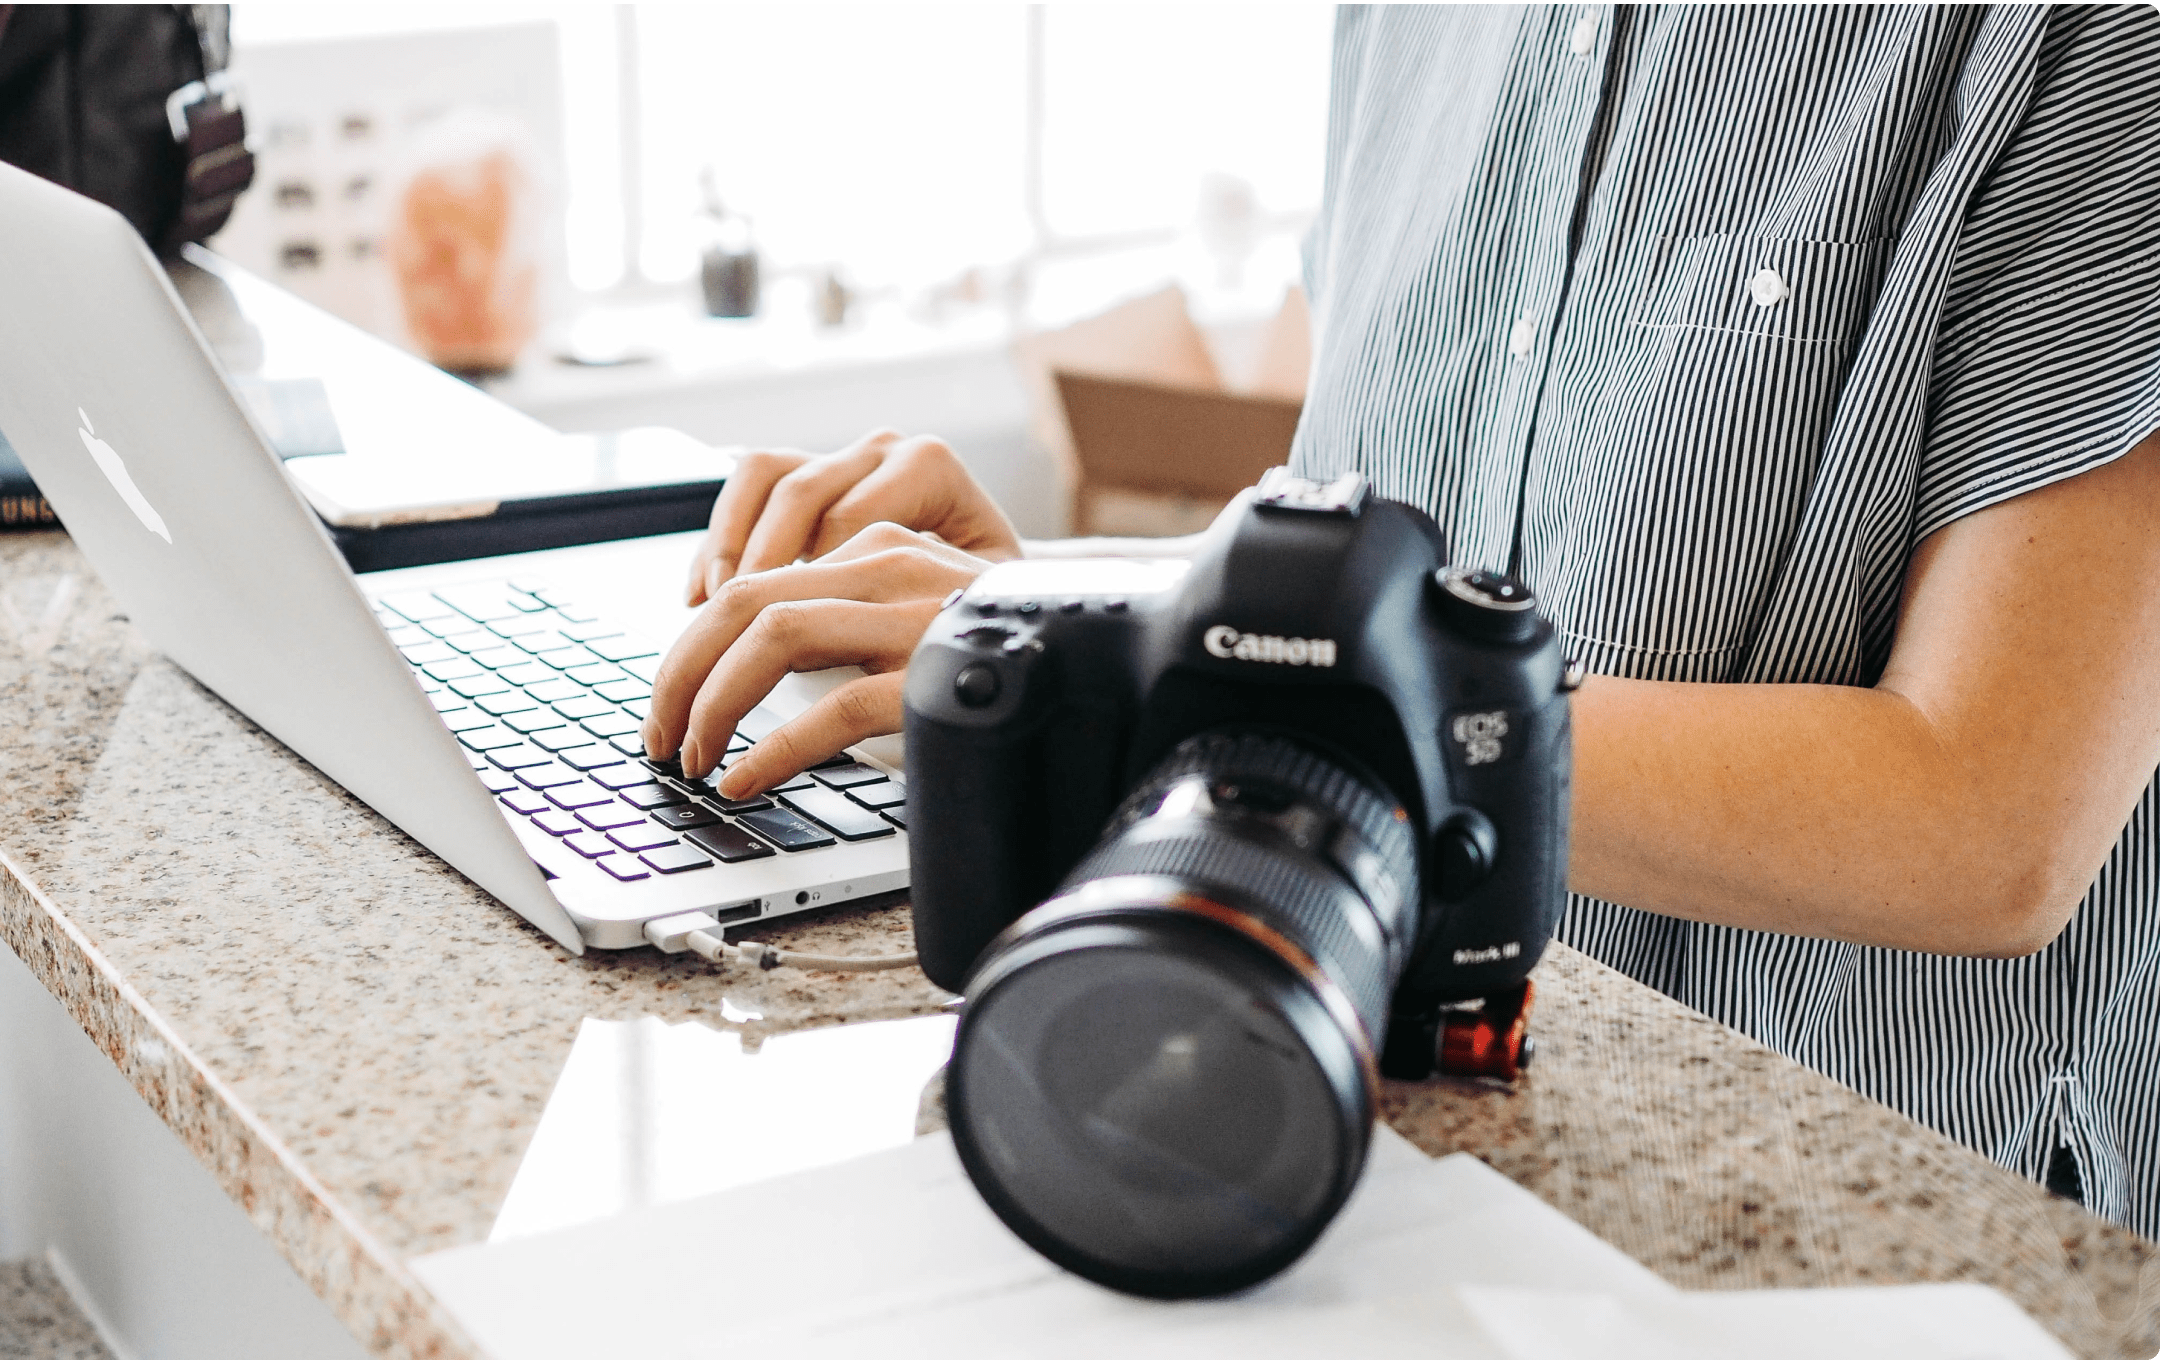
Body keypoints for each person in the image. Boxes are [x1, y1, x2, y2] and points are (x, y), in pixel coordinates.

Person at [644, 6, 2160, 1237]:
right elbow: (1370, 561)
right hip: (1382, 1133)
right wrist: (1068, 601)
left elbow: (1988, 816)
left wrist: (1145, 646)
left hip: (1851, 1216)